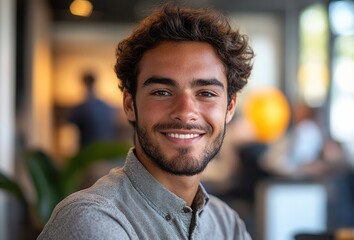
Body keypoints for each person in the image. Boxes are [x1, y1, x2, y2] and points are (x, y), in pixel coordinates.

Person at [38, 3, 254, 240]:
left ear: (230, 107)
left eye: (207, 93)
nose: (185, 112)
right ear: (130, 105)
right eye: (162, 92)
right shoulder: (93, 221)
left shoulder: (226, 223)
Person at [68, 71, 117, 148]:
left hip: (89, 151)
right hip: (106, 150)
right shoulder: (106, 106)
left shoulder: (81, 108)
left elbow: (70, 121)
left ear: (84, 83)